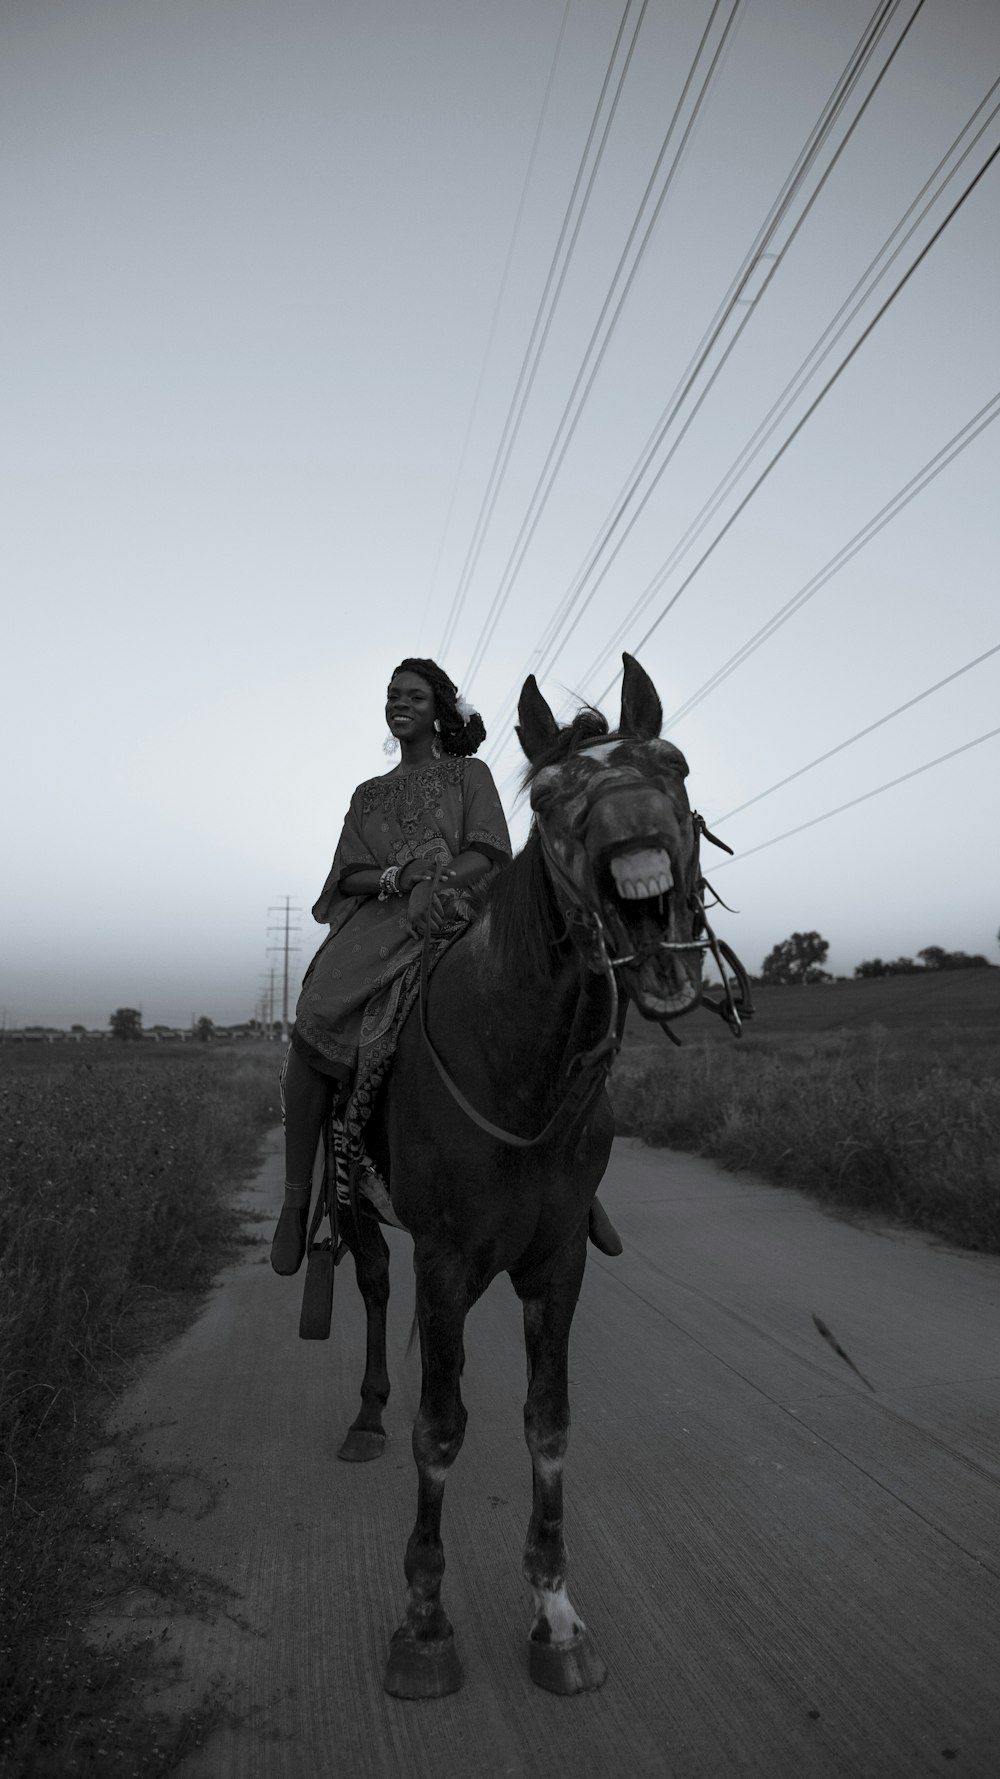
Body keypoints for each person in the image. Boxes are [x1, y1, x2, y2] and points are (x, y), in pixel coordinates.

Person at [270, 656, 622, 1275]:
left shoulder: (469, 775)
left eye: (413, 696)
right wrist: (397, 877)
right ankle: (297, 1202)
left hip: (464, 910)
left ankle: (577, 1183)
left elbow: (490, 850)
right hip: (378, 922)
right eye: (391, 696)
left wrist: (436, 880)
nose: (398, 704)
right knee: (312, 1015)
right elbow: (344, 874)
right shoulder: (367, 794)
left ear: (440, 711)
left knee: (558, 997)